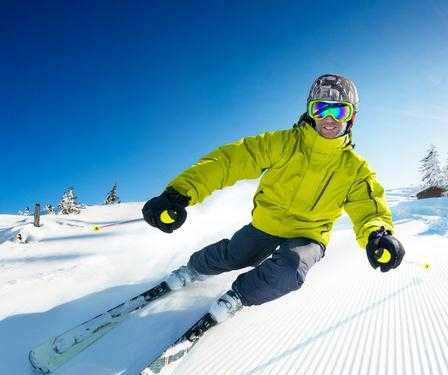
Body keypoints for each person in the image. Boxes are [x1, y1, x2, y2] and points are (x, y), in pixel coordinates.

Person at [142, 74, 405, 324]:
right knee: (235, 254)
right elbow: (229, 162)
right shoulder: (283, 143)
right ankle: (193, 271)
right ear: (310, 111)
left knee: (291, 270)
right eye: (321, 108)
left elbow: (369, 209)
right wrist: (178, 193)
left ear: (352, 118)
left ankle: (239, 296)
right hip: (267, 223)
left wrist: (378, 236)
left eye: (339, 111)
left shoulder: (356, 169)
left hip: (310, 234)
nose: (328, 118)